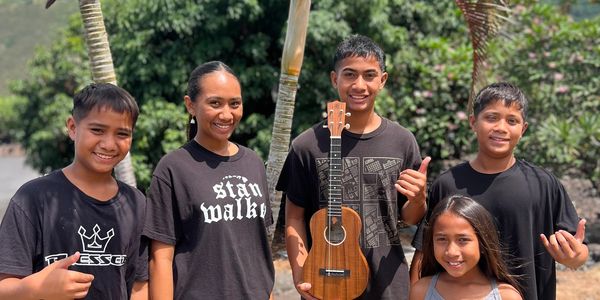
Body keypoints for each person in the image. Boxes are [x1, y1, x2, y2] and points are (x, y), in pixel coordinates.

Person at [277, 34, 431, 300]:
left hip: (388, 287)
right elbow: (294, 218)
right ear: (335, 79)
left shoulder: (403, 141)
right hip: (325, 282)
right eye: (349, 75)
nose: (359, 85)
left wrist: (418, 198)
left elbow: (410, 218)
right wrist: (300, 273)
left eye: (369, 75)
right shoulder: (306, 145)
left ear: (382, 80)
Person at [410, 82, 588, 299]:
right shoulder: (448, 184)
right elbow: (424, 253)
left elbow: (577, 250)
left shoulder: (543, 184)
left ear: (523, 129)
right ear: (474, 122)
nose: (501, 128)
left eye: (512, 121)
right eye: (491, 117)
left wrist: (575, 257)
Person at [0, 83, 148, 299]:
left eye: (122, 134)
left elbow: (139, 284)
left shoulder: (136, 202)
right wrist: (37, 289)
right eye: (97, 130)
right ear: (72, 127)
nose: (109, 144)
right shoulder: (33, 198)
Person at [143, 61, 275, 299]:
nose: (227, 114)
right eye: (215, 103)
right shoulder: (173, 168)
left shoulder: (253, 162)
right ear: (190, 105)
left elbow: (258, 250)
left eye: (235, 103)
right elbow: (160, 259)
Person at [410, 195, 522, 300]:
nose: (452, 252)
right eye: (442, 239)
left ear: (482, 243)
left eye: (463, 240)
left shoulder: (507, 296)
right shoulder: (421, 291)